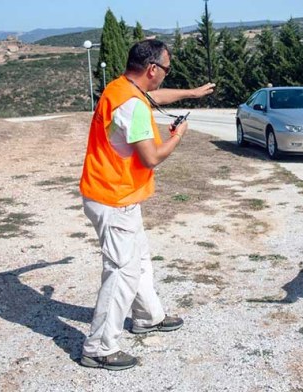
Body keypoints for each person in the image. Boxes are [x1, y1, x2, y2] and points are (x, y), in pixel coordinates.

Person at [78, 39, 215, 371]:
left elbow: (153, 97)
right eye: (166, 69)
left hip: (115, 194)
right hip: (114, 198)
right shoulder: (134, 107)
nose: (166, 76)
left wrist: (193, 93)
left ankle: (148, 317)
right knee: (122, 271)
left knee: (138, 260)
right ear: (152, 69)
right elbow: (151, 158)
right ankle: (98, 347)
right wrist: (178, 136)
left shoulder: (119, 87)